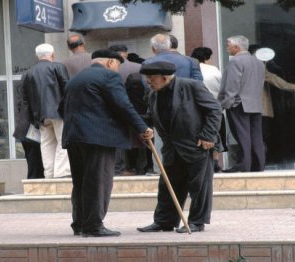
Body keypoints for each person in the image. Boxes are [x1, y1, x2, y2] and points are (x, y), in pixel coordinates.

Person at [60, 49, 154, 237]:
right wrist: (142, 128)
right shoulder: (108, 77)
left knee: (81, 182)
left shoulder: (75, 79)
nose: (118, 70)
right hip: (98, 138)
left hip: (74, 136)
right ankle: (93, 226)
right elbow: (123, 106)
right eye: (118, 65)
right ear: (111, 62)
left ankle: (80, 223)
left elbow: (61, 108)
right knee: (98, 181)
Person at [137, 61, 222, 233]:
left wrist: (208, 135)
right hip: (172, 148)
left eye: (152, 78)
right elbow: (150, 116)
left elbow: (214, 110)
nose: (148, 81)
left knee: (199, 186)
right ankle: (164, 221)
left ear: (165, 77)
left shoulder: (191, 86)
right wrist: (145, 128)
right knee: (168, 186)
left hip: (197, 144)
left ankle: (197, 222)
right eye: (147, 78)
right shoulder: (153, 94)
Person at [21, 43, 70, 179]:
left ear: (37, 56)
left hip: (40, 115)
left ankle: (48, 174)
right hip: (59, 113)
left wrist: (33, 118)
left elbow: (25, 99)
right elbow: (67, 89)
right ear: (52, 54)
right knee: (63, 141)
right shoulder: (58, 67)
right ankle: (61, 173)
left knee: (47, 143)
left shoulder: (28, 73)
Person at [218, 35, 266, 172]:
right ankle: (258, 165)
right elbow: (259, 84)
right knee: (256, 136)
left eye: (228, 44)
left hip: (239, 104)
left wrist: (226, 103)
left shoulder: (235, 61)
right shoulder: (259, 62)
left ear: (236, 47)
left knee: (242, 136)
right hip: (255, 104)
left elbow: (232, 86)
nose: (226, 47)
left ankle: (245, 165)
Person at [108, 44, 142, 176]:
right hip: (136, 108)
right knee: (138, 138)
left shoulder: (109, 70)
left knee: (118, 137)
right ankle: (140, 167)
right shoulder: (138, 67)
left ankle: (120, 167)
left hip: (113, 109)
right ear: (126, 54)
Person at [191, 47, 226, 172]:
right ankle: (215, 162)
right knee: (215, 134)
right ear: (207, 58)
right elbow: (222, 88)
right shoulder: (214, 70)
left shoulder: (191, 68)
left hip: (195, 108)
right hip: (214, 107)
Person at [13, 80, 44, 179]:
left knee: (33, 160)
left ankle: (34, 180)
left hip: (26, 132)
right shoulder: (32, 97)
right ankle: (34, 182)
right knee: (35, 161)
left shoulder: (24, 97)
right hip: (31, 132)